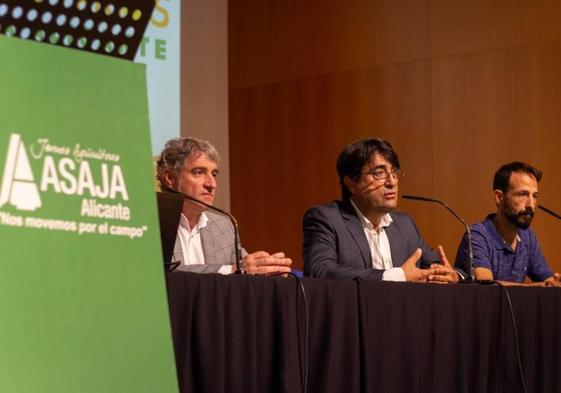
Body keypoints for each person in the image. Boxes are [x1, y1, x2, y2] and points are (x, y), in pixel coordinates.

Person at [303, 138, 459, 282]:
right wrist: (396, 275)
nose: (391, 182)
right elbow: (320, 270)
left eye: (394, 173)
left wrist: (448, 275)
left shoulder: (404, 224)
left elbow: (434, 265)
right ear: (352, 184)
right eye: (379, 173)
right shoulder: (327, 218)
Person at [157, 137, 292, 275]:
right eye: (199, 172)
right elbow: (161, 273)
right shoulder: (150, 224)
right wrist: (229, 270)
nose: (211, 184)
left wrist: (266, 271)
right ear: (170, 178)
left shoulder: (223, 226)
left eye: (214, 174)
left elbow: (245, 268)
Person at [455, 162, 561, 286]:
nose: (531, 205)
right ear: (499, 197)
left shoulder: (528, 237)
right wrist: (540, 286)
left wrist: (555, 283)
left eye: (535, 196)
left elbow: (547, 281)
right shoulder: (477, 236)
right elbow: (487, 287)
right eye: (523, 195)